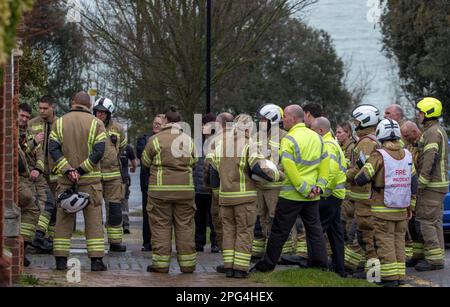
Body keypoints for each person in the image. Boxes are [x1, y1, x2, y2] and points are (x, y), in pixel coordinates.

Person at [252, 105, 329, 273]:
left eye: (285, 116)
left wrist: (303, 189)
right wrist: (319, 187)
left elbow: (289, 167)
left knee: (279, 230)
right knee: (315, 230)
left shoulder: (289, 139)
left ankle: (267, 265)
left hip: (293, 194)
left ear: (294, 119)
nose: (282, 119)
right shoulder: (317, 137)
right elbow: (325, 164)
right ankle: (320, 264)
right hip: (312, 195)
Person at [212, 114, 282, 278]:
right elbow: (258, 169)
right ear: (249, 128)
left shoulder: (221, 145)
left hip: (225, 198)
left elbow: (213, 174)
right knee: (244, 231)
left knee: (228, 231)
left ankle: (228, 266)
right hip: (245, 199)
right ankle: (240, 269)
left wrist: (218, 193)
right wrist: (278, 175)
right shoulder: (248, 144)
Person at [354, 119, 417, 287]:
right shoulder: (407, 155)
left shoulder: (378, 155)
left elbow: (362, 178)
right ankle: (400, 276)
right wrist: (411, 205)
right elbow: (414, 182)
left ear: (381, 136)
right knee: (399, 243)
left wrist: (362, 166)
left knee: (385, 243)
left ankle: (389, 279)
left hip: (382, 209)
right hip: (402, 209)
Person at [49, 91, 107, 271]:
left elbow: (53, 149)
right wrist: (81, 170)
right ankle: (96, 261)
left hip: (66, 180)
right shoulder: (97, 124)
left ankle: (60, 259)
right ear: (89, 105)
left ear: (73, 102)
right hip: (90, 181)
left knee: (63, 219)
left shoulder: (59, 122)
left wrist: (69, 170)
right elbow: (98, 152)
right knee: (94, 220)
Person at [142, 107, 197, 273]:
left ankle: (160, 264)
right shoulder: (188, 140)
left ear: (165, 120)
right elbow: (194, 161)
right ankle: (188, 265)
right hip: (185, 191)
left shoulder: (155, 140)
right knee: (185, 226)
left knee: (160, 226)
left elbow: (145, 162)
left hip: (160, 192)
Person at [414, 97, 448, 271]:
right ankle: (434, 255)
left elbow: (430, 159)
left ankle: (434, 260)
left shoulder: (432, 133)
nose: (418, 115)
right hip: (437, 186)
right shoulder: (436, 130)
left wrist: (421, 182)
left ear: (427, 113)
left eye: (420, 112)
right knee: (434, 222)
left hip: (431, 186)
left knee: (426, 221)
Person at [346, 105, 381, 277]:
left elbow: (363, 170)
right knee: (361, 235)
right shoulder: (370, 140)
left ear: (365, 121)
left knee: (367, 236)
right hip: (366, 197)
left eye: (356, 121)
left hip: (365, 197)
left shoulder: (366, 143)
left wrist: (345, 173)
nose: (353, 124)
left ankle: (373, 274)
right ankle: (359, 266)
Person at [252, 104, 289, 258]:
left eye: (263, 119)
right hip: (259, 186)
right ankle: (258, 252)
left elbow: (286, 161)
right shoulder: (257, 136)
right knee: (259, 219)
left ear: (272, 119)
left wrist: (275, 174)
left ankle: (280, 254)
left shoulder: (284, 137)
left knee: (275, 220)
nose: (260, 121)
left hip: (275, 186)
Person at [311, 117, 347, 277]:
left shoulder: (327, 145)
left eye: (312, 129)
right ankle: (340, 269)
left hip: (329, 196)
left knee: (316, 231)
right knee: (335, 233)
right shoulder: (331, 143)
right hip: (335, 196)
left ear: (320, 130)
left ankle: (315, 266)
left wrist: (322, 190)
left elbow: (331, 172)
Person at [93, 97, 128, 252]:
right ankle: (97, 240)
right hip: (95, 174)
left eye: (103, 112)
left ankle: (115, 242)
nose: (100, 115)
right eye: (97, 111)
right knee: (94, 209)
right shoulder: (90, 125)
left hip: (113, 176)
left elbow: (121, 148)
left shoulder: (118, 128)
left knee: (114, 209)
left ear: (109, 113)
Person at [18, 103, 54, 253]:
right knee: (31, 205)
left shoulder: (31, 131)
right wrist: (33, 142)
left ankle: (37, 236)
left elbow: (39, 154)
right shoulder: (11, 132)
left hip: (35, 175)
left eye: (27, 117)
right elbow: (21, 150)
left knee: (49, 203)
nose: (24, 119)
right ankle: (26, 243)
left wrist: (38, 169)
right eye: (22, 115)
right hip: (22, 176)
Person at [204, 112, 234, 273]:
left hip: (221, 192)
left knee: (222, 226)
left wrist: (211, 188)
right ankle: (239, 261)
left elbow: (209, 167)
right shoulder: (243, 140)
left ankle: (228, 262)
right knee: (240, 227)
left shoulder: (214, 141)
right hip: (241, 192)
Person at [28, 96, 59, 245]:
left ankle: (51, 240)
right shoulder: (32, 124)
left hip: (56, 173)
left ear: (52, 107)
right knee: (42, 205)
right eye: (40, 108)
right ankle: (39, 236)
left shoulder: (61, 124)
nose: (41, 111)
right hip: (39, 173)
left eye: (45, 108)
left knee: (56, 209)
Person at [136, 114, 165, 251]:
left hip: (163, 184)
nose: (156, 125)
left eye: (159, 124)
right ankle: (147, 242)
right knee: (147, 214)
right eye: (155, 123)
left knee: (161, 216)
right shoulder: (144, 139)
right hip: (147, 184)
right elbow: (142, 154)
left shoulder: (168, 141)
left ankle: (160, 242)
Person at [194, 113, 218, 253]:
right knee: (199, 218)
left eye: (206, 124)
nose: (203, 127)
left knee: (214, 217)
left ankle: (215, 243)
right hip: (198, 187)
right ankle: (199, 242)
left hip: (212, 186)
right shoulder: (197, 142)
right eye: (203, 124)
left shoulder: (218, 142)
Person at [401, 121, 422, 266]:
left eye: (406, 135)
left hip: (421, 189)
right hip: (413, 189)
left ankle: (426, 257)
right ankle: (417, 255)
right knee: (413, 225)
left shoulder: (422, 144)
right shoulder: (410, 146)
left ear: (414, 132)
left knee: (421, 225)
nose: (405, 138)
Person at [120, 144, 137, 234]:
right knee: (124, 201)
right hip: (124, 178)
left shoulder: (109, 145)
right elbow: (134, 164)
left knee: (111, 201)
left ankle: (113, 223)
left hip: (112, 179)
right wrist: (133, 169)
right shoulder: (128, 147)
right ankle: (126, 225)